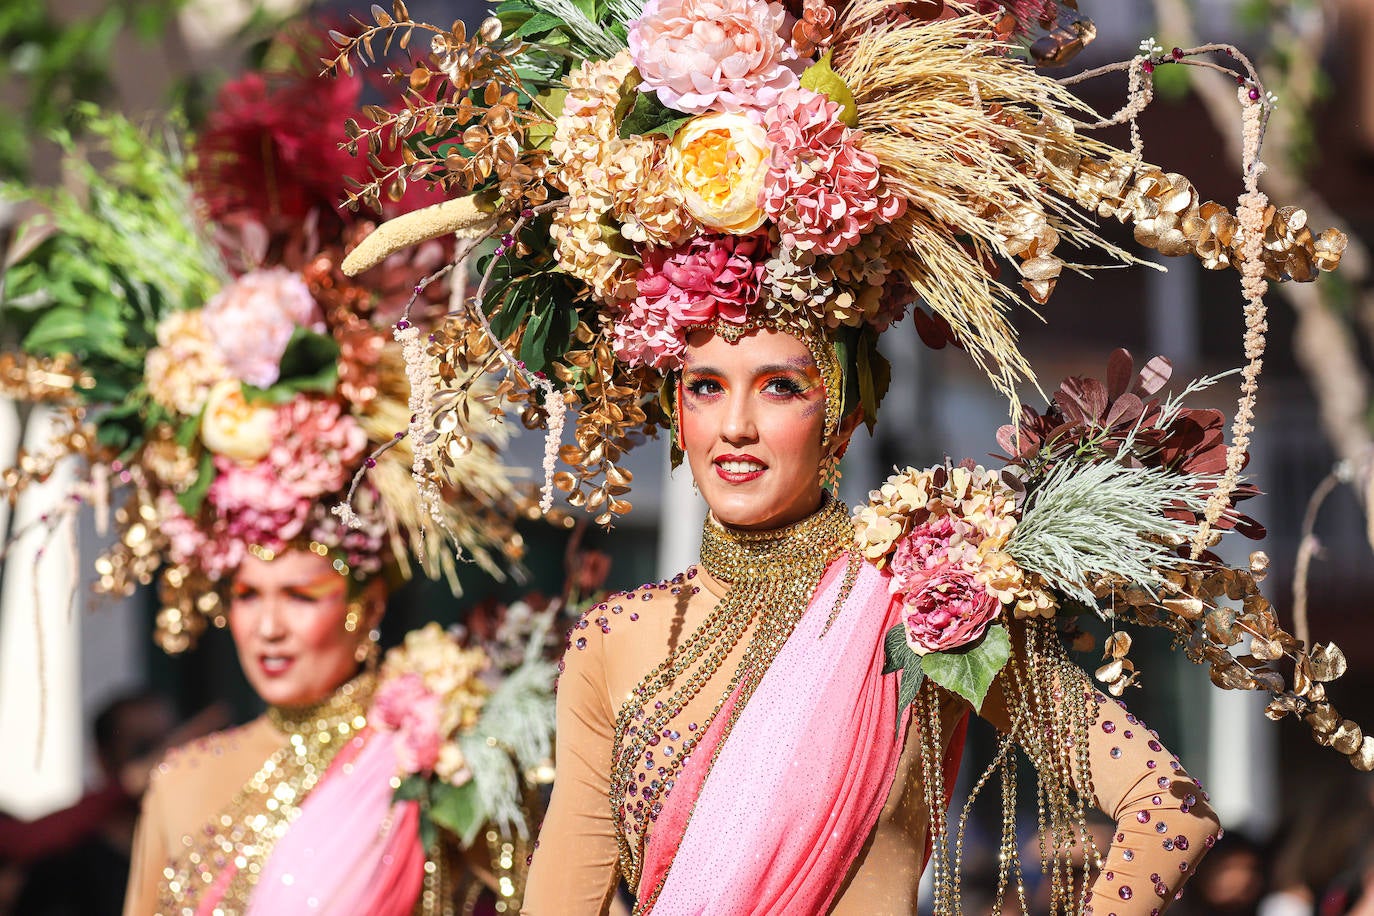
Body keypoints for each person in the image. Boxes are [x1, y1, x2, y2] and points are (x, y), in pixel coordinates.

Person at [330, 1, 1366, 912]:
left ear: (843, 412)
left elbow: (1167, 808)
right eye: (705, 386)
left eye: (779, 386)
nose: (735, 425)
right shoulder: (616, 640)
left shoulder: (927, 597)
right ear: (673, 410)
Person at [0, 46, 546, 916]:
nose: (267, 627)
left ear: (367, 600)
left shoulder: (443, 753)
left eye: (298, 594)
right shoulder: (182, 781)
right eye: (249, 595)